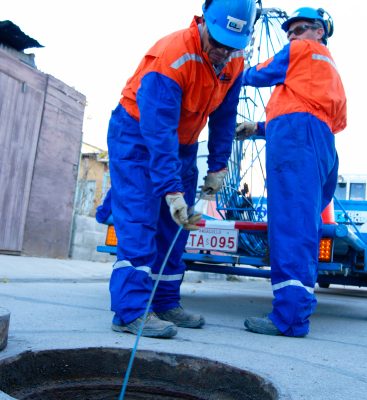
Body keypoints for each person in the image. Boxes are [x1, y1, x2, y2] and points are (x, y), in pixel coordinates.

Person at [106, 0, 258, 338]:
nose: (222, 52)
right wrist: (171, 189)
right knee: (140, 222)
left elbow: (224, 118)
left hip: (184, 144)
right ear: (203, 21)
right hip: (137, 139)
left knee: (176, 227)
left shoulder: (233, 62)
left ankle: (163, 302)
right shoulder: (173, 57)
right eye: (217, 42)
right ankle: (130, 312)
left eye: (232, 46)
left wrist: (219, 166)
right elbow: (158, 132)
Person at [235, 7, 346, 337]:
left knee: (290, 226)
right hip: (317, 143)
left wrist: (228, 68)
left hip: (298, 141)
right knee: (304, 223)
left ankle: (289, 318)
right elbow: (306, 115)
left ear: (319, 32)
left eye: (300, 28)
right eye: (290, 32)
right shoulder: (326, 71)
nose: (292, 35)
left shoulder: (300, 51)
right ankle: (297, 308)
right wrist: (257, 127)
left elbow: (258, 74)